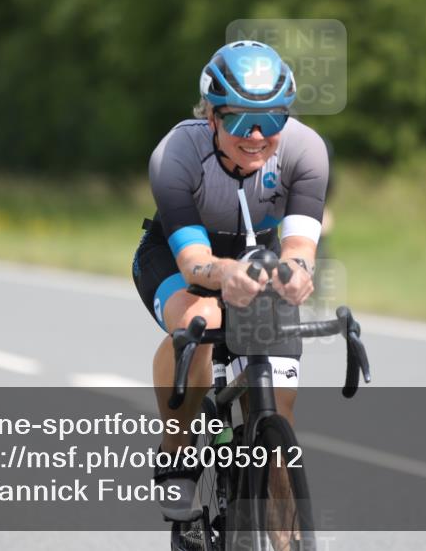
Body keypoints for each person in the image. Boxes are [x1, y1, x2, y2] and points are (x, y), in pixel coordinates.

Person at [131, 41, 329, 520]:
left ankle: (280, 521)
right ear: (212, 116)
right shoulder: (177, 153)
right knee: (198, 322)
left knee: (279, 405)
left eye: (274, 119)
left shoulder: (306, 151)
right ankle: (177, 452)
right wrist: (225, 275)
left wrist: (299, 274)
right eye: (241, 119)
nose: (258, 135)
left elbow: (300, 247)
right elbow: (194, 261)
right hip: (179, 254)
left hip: (256, 253)